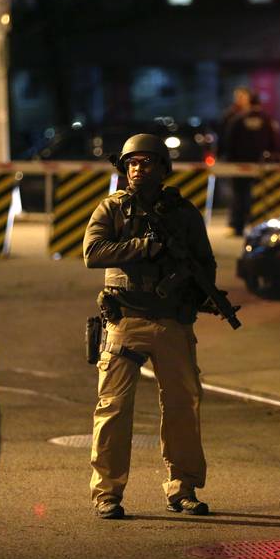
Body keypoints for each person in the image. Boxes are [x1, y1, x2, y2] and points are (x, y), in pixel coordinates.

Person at [83, 133, 216, 520]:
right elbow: (92, 253)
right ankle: (107, 493)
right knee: (113, 408)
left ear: (162, 168)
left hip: (172, 321)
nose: (138, 170)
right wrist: (144, 246)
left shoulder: (183, 213)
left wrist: (199, 295)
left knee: (182, 407)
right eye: (132, 163)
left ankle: (183, 487)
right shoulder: (112, 208)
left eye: (147, 163)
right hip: (126, 319)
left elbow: (204, 263)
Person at [220, 91, 276, 236]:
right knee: (258, 193)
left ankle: (238, 225)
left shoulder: (238, 118)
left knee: (239, 193)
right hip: (259, 162)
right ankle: (258, 224)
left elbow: (228, 139)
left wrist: (230, 158)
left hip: (239, 163)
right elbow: (273, 140)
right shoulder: (266, 119)